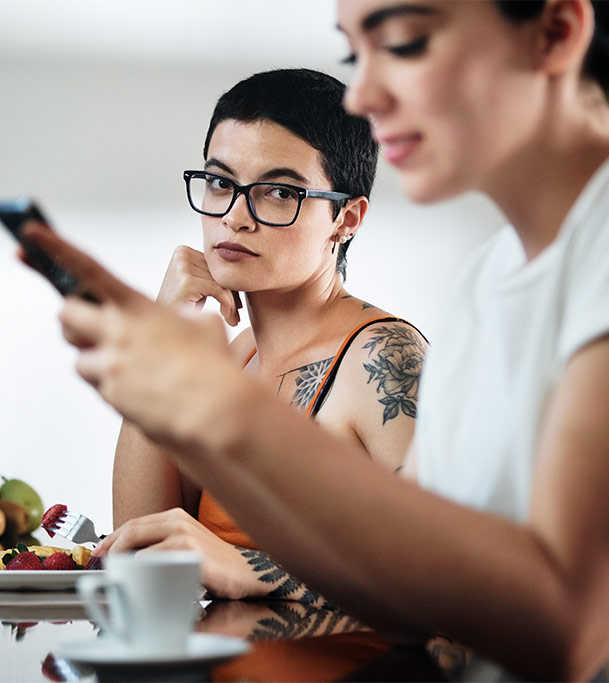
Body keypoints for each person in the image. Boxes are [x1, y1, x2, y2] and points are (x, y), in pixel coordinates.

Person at [22, 0, 609, 679]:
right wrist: (172, 401)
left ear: (555, 31)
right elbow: (406, 598)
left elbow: (567, 619)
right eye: (352, 51)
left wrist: (215, 409)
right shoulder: (487, 280)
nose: (362, 92)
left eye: (402, 41)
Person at [96, 69, 428, 602]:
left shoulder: (381, 358)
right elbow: (144, 546)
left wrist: (252, 569)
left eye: (278, 192)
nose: (235, 215)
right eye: (221, 182)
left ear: (346, 217)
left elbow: (452, 576)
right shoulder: (235, 359)